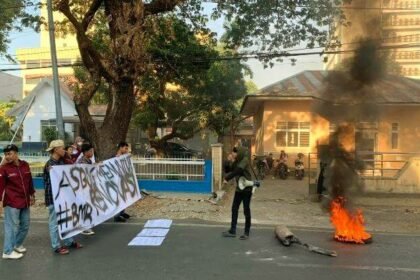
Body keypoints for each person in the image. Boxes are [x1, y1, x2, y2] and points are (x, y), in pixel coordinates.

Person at [44, 140, 83, 255]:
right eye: (62, 148)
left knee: (67, 219)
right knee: (55, 223)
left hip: (64, 198)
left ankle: (69, 241)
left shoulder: (62, 162)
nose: (64, 150)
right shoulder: (50, 164)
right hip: (53, 198)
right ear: (55, 149)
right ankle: (56, 246)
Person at [0, 144, 35, 260]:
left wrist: (32, 194)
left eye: (9, 154)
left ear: (16, 153)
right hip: (11, 202)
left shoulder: (25, 165)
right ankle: (7, 251)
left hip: (24, 201)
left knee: (25, 225)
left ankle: (17, 244)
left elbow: (29, 181)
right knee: (11, 226)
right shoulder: (4, 168)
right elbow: (0, 186)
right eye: (5, 154)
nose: (7, 156)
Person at [222, 146, 257, 240]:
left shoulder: (245, 160)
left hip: (247, 188)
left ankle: (246, 232)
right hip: (239, 188)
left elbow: (238, 170)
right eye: (233, 152)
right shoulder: (236, 161)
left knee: (246, 210)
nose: (234, 154)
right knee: (234, 208)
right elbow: (227, 170)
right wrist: (228, 161)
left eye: (235, 152)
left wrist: (227, 178)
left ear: (240, 153)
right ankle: (232, 231)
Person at [76, 143, 96, 235]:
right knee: (85, 207)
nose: (92, 152)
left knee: (88, 207)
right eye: (91, 151)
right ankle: (84, 227)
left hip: (87, 188)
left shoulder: (88, 161)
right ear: (85, 152)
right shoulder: (82, 162)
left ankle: (87, 225)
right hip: (83, 189)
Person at [113, 141, 132, 223]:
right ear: (121, 147)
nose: (126, 150)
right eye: (125, 148)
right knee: (119, 197)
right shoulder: (115, 157)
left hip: (123, 180)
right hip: (117, 181)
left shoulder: (124, 156)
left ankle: (122, 212)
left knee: (124, 196)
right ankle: (117, 215)